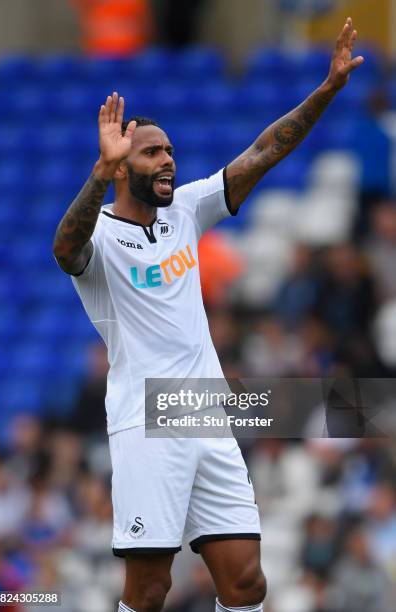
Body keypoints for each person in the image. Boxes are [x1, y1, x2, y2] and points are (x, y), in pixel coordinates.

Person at [53, 18, 363, 612]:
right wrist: (97, 175)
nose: (168, 160)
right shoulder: (100, 241)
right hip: (146, 419)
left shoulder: (187, 211)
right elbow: (64, 248)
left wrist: (326, 90)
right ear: (120, 167)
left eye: (170, 150)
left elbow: (264, 151)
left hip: (204, 411)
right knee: (149, 589)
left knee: (246, 583)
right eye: (151, 153)